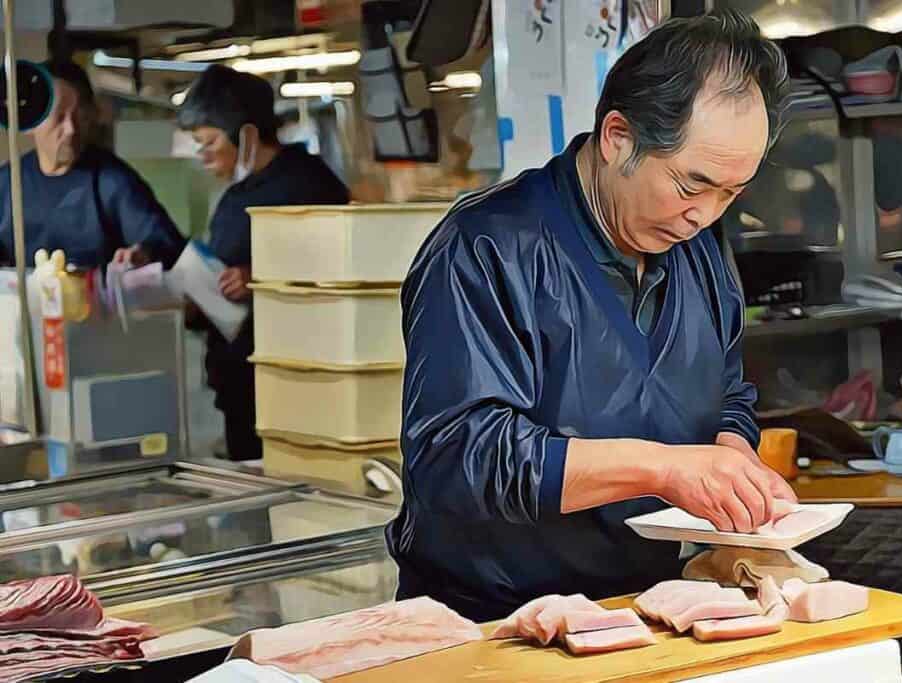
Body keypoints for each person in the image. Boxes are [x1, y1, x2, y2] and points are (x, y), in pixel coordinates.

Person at [388, 10, 797, 622]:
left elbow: (726, 391)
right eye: (691, 186)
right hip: (489, 627)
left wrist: (730, 460)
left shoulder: (701, 251)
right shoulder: (486, 248)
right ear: (618, 138)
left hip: (645, 612)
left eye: (730, 194)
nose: (705, 216)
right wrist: (664, 469)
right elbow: (459, 458)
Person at [177, 65, 351, 461]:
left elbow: (337, 265)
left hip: (292, 387)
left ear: (248, 135)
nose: (203, 156)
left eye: (209, 143)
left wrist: (258, 276)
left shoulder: (310, 184)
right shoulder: (234, 196)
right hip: (239, 382)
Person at [0, 61, 184, 269]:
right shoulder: (7, 183)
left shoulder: (113, 182)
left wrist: (144, 254)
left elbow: (167, 242)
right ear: (31, 122)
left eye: (80, 116)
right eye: (59, 117)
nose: (70, 129)